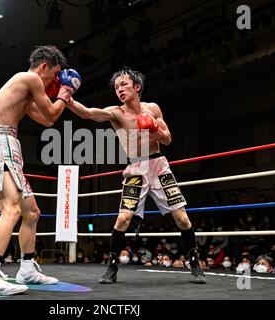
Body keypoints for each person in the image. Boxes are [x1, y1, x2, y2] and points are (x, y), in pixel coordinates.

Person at [68, 67, 205, 284]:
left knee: (182, 217)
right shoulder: (116, 113)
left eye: (123, 84)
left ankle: (195, 264)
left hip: (158, 165)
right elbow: (89, 113)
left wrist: (155, 131)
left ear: (137, 87)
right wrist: (67, 97)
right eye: (116, 87)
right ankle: (111, 268)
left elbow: (167, 139)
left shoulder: (153, 109)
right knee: (123, 218)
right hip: (135, 169)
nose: (119, 90)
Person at [0, 45, 81, 296]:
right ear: (43, 66)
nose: (54, 81)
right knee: (11, 209)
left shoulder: (25, 89)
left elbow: (48, 119)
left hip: (8, 144)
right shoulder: (30, 78)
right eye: (54, 75)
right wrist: (65, 91)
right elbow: (54, 111)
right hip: (1, 143)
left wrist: (63, 97)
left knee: (31, 212)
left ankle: (26, 269)